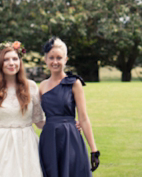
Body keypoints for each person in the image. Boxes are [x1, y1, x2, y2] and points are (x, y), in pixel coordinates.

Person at [0, 41, 45, 177]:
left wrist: (66, 124)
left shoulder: (31, 86)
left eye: (15, 59)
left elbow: (39, 122)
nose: (11, 63)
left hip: (27, 147)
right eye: (6, 60)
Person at [39, 37, 100, 176]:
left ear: (65, 59)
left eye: (59, 58)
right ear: (45, 60)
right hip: (48, 139)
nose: (55, 62)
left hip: (70, 138)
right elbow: (36, 117)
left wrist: (94, 150)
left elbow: (83, 118)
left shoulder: (74, 83)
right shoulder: (42, 86)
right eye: (51, 58)